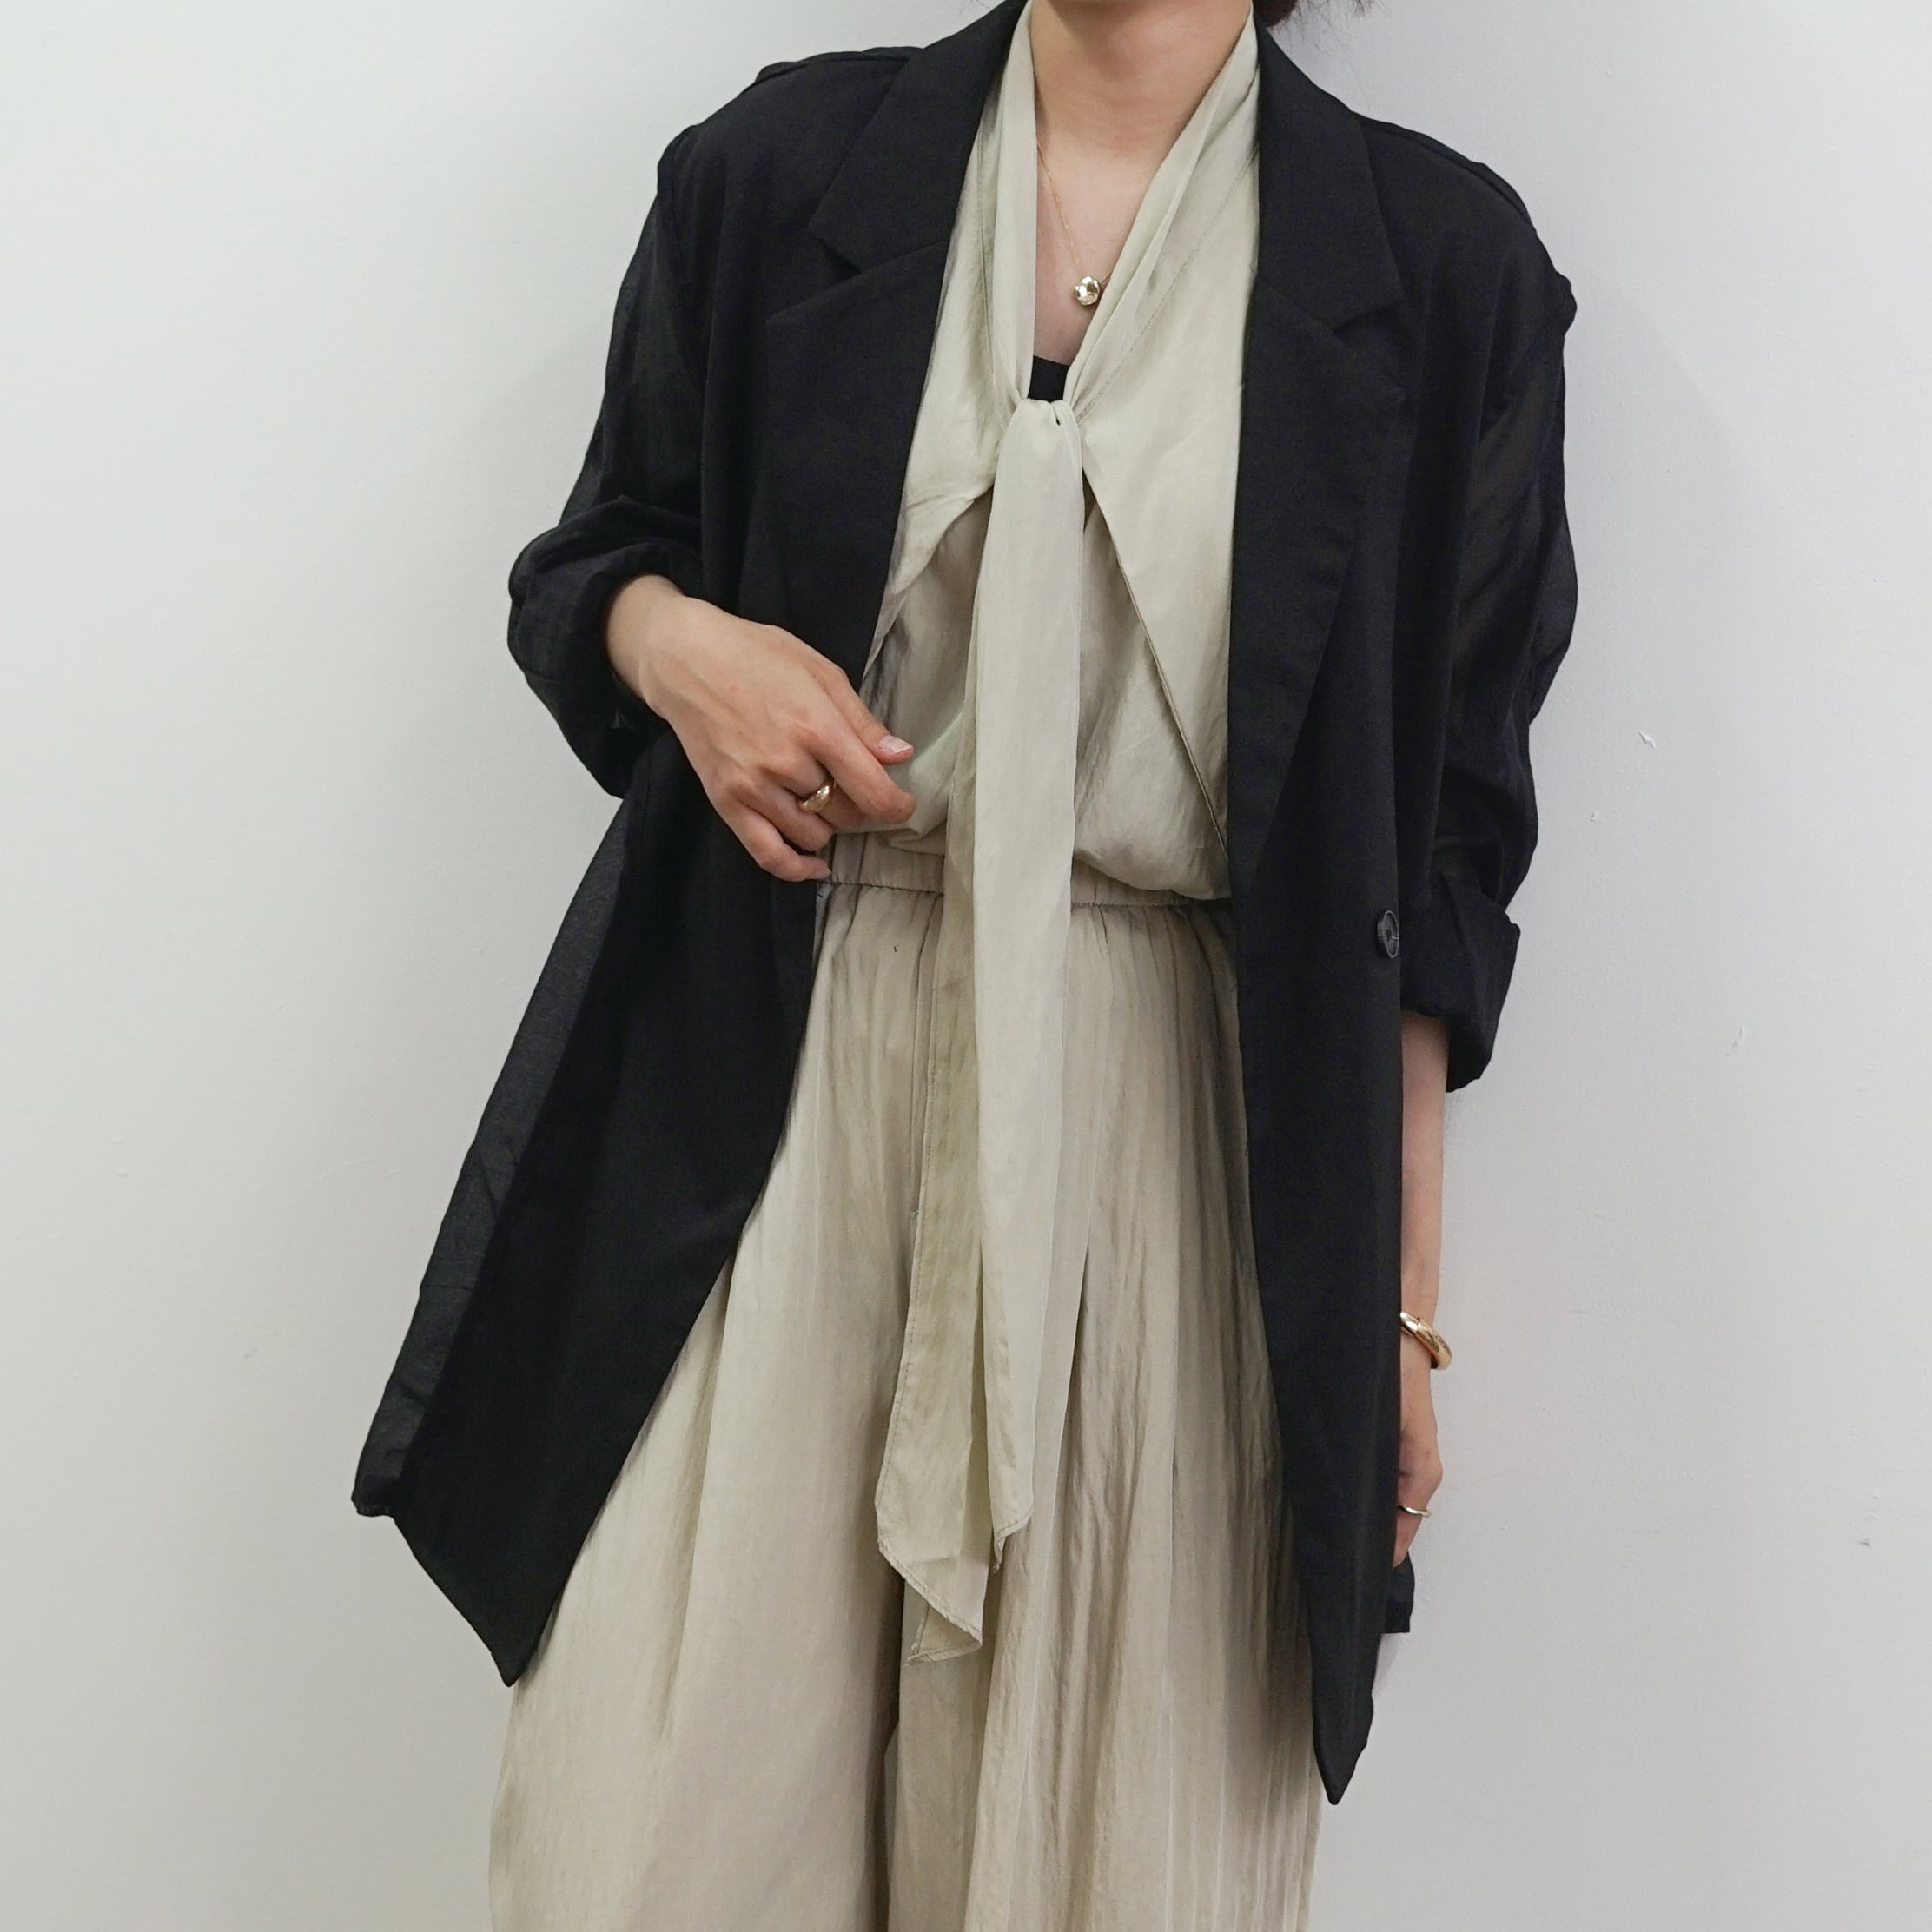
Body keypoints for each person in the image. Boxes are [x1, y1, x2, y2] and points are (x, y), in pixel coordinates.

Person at [351, 0, 1579, 1924]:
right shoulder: (779, 173)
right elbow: (596, 559)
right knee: (649, 1831)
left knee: (1106, 1847)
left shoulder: (1443, 269)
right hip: (776, 1083)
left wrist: (1400, 1318)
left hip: (1184, 1139)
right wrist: (684, 651)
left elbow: (1437, 863)